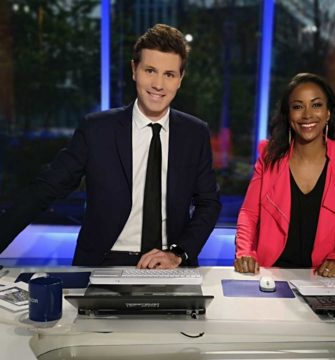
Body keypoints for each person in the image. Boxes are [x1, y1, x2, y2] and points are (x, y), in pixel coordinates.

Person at [0, 24, 221, 268]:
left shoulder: (195, 133)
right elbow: (45, 189)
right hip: (104, 260)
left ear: (180, 79)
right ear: (134, 70)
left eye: (169, 74)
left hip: (169, 263)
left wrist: (179, 253)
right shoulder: (97, 130)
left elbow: (208, 204)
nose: (158, 84)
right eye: (150, 70)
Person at [234, 73, 335, 277]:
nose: (307, 115)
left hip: (321, 276)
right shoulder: (269, 155)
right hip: (270, 273)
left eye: (316, 105)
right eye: (298, 106)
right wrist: (244, 252)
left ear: (328, 112)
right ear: (288, 115)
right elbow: (249, 214)